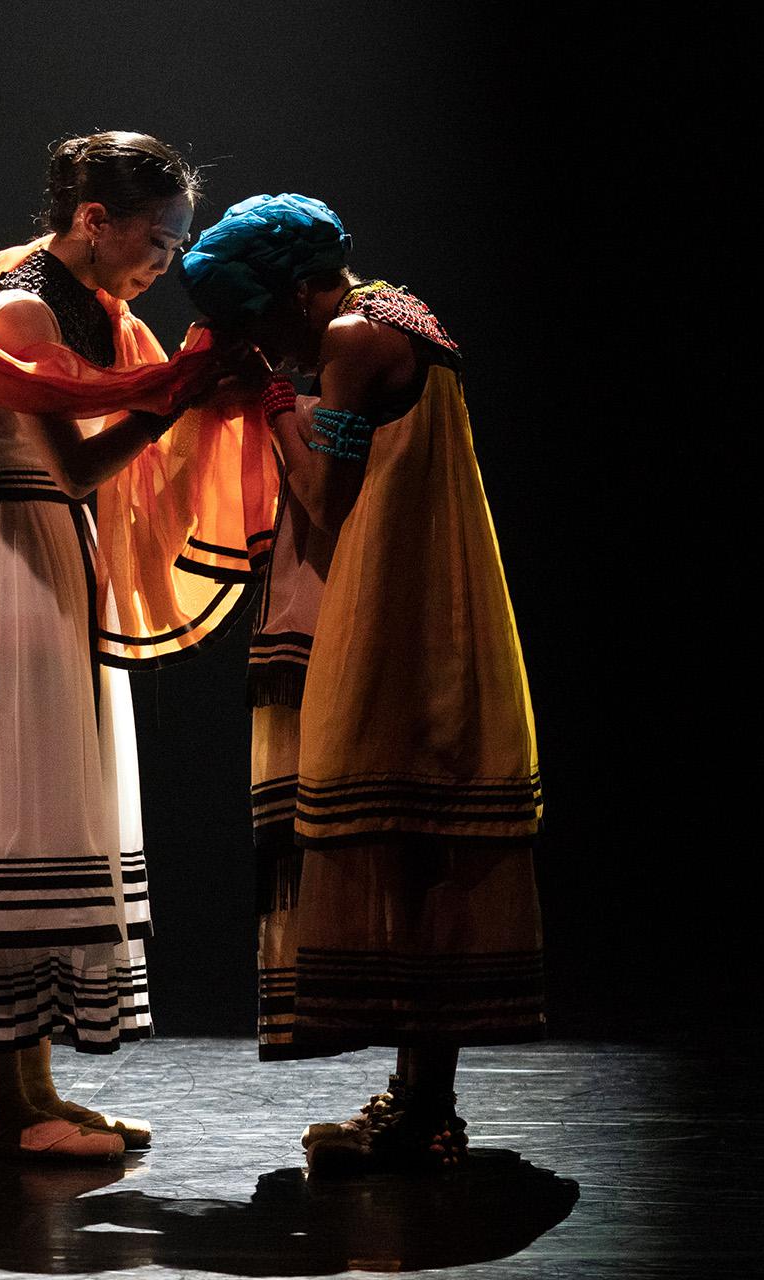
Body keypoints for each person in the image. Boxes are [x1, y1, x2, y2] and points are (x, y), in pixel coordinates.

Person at [182, 194, 547, 1173]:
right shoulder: (391, 310)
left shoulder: (351, 336)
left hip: (404, 622)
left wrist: (267, 400)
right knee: (412, 850)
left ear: (298, 290)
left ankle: (426, 1113)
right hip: (421, 607)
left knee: (408, 845)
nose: (272, 342)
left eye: (265, 319)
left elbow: (322, 494)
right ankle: (421, 1101)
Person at [0, 131, 224, 1160]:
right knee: (17, 807)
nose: (166, 262)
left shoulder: (87, 309)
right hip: (15, 552)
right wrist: (176, 395)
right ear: (96, 218)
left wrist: (181, 390)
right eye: (161, 239)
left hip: (50, 549)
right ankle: (5, 1111)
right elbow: (78, 461)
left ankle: (37, 1094)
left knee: (52, 805)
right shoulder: (18, 306)